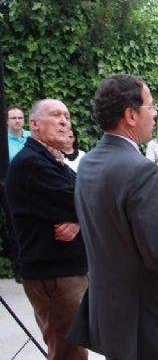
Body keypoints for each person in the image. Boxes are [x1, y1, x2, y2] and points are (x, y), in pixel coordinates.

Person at [68, 74, 158, 360]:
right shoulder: (140, 169)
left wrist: (156, 217)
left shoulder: (89, 162)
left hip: (110, 313)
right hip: (148, 321)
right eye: (151, 106)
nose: (155, 113)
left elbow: (112, 223)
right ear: (130, 115)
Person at [6, 99, 88, 360]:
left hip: (67, 271)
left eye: (67, 115)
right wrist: (80, 212)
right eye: (56, 115)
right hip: (54, 276)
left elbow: (83, 198)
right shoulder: (32, 163)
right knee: (68, 353)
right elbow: (83, 199)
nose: (65, 121)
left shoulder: (53, 159)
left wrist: (77, 221)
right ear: (34, 124)